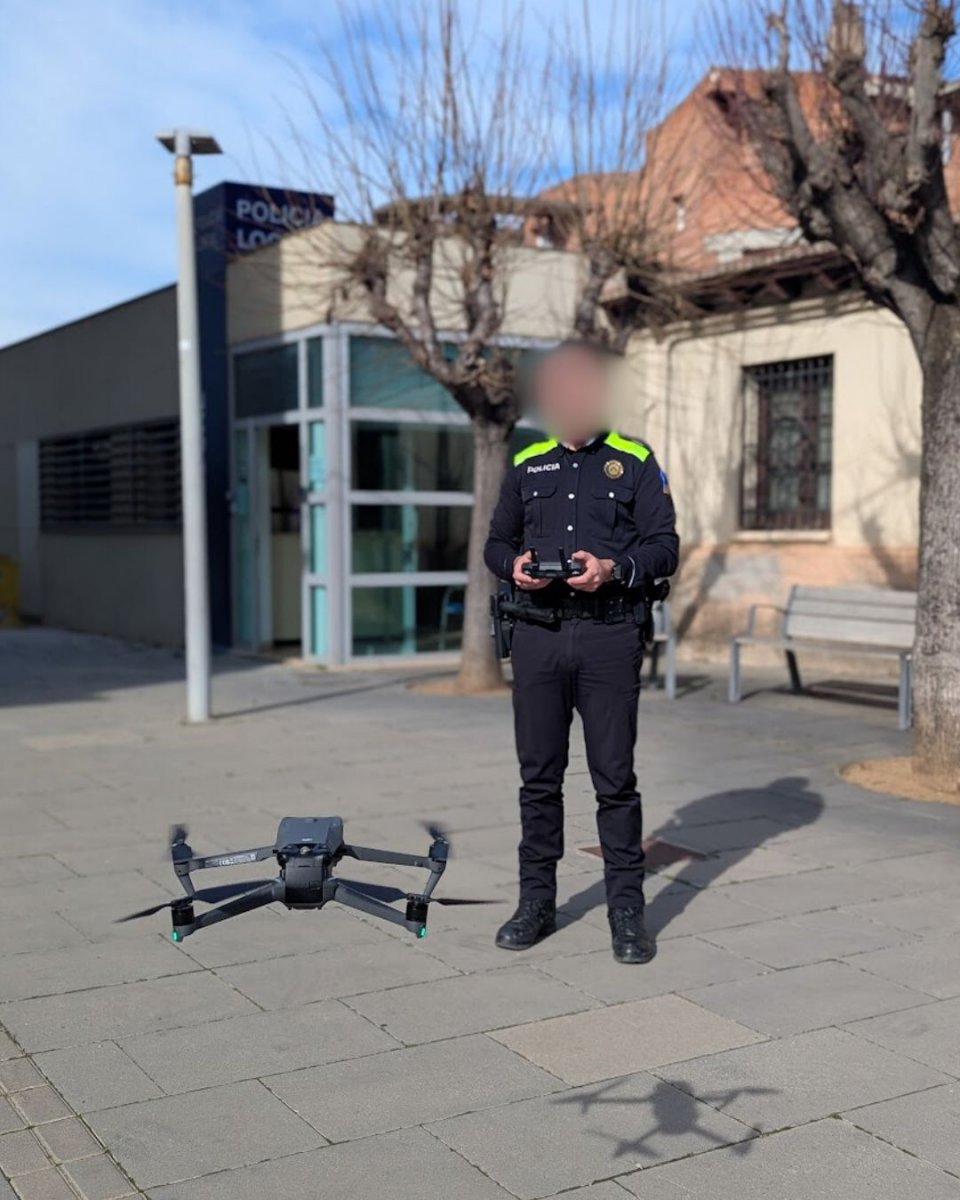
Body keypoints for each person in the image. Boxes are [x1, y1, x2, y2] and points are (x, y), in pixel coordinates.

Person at [484, 341, 679, 963]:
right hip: (538, 637)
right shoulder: (528, 462)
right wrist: (515, 566)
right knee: (538, 779)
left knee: (614, 781)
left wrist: (613, 568)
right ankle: (536, 903)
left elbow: (665, 547)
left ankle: (627, 912)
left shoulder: (634, 460)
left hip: (608, 637)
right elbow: (495, 543)